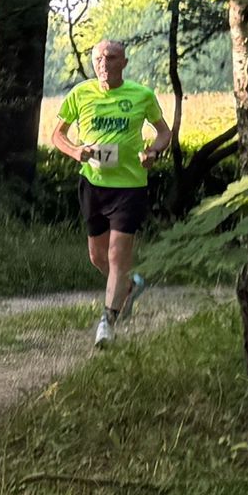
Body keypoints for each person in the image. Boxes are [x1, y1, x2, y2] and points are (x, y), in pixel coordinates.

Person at [49, 39, 172, 348]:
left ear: (124, 63)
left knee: (117, 255)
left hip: (129, 186)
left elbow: (164, 132)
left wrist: (153, 152)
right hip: (93, 185)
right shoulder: (80, 94)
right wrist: (75, 151)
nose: (104, 63)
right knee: (98, 257)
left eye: (111, 57)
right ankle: (128, 286)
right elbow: (57, 135)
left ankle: (107, 321)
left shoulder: (142, 95)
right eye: (98, 58)